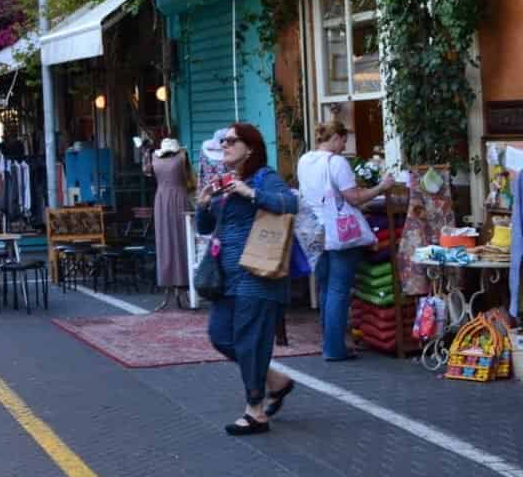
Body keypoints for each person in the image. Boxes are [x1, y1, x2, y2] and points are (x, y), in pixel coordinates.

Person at [196, 123, 298, 436]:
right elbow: (205, 226)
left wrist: (251, 193)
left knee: (251, 341)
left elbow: (290, 203)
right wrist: (202, 205)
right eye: (223, 141)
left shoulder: (263, 176)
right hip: (225, 277)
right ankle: (275, 381)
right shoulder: (223, 181)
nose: (224, 146)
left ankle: (255, 411)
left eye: (231, 141)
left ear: (249, 148)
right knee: (220, 335)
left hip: (257, 274)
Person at [297, 118, 395, 361]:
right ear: (336, 138)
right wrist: (381, 187)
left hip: (314, 232)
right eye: (343, 141)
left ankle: (329, 342)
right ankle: (334, 348)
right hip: (339, 233)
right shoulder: (337, 162)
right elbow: (354, 198)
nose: (344, 146)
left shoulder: (304, 160)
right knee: (339, 290)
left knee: (326, 289)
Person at [151, 138, 192, 309]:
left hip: (165, 198)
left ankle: (182, 284)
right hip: (172, 197)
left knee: (182, 239)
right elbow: (189, 177)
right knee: (167, 240)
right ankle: (174, 284)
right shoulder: (156, 156)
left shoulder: (182, 156)